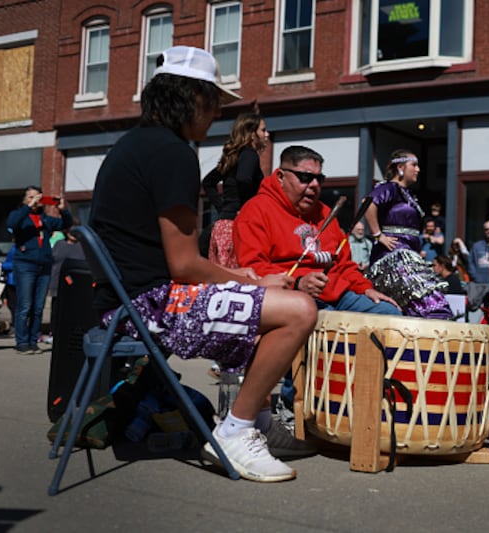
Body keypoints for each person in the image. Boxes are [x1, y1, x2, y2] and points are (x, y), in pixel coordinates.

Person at [89, 45, 318, 483]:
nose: (216, 113)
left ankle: (262, 423)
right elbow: (184, 266)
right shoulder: (174, 154)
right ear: (190, 97)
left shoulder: (132, 145)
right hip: (148, 307)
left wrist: (249, 282)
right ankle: (236, 430)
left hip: (124, 302)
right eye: (213, 101)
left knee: (271, 297)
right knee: (298, 310)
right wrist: (245, 278)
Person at [234, 145, 400, 316]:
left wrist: (365, 288)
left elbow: (344, 265)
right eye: (305, 177)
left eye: (318, 179)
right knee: (325, 320)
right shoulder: (255, 211)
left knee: (389, 313)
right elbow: (253, 270)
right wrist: (297, 283)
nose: (314, 185)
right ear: (280, 177)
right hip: (290, 297)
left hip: (338, 295)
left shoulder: (326, 213)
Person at [363, 149, 453, 319]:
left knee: (418, 304)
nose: (418, 169)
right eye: (414, 165)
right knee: (429, 303)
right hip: (393, 257)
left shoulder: (407, 194)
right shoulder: (390, 187)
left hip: (410, 255)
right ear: (400, 167)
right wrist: (378, 235)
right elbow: (367, 204)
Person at [6, 186, 73, 354]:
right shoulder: (19, 216)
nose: (34, 200)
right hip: (25, 264)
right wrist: (28, 207)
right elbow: (12, 224)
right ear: (24, 200)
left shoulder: (46, 219)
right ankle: (21, 342)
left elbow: (66, 224)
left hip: (44, 265)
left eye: (37, 197)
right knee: (25, 305)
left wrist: (63, 210)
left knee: (38, 307)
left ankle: (33, 341)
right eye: (30, 197)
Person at [202, 111, 269, 269]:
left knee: (220, 282)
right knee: (235, 283)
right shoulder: (250, 155)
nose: (267, 134)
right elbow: (243, 178)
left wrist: (222, 208)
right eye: (263, 130)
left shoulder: (232, 157)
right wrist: (248, 209)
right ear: (252, 134)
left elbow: (208, 182)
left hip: (221, 227)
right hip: (237, 228)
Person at [46, 220, 87, 343]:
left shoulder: (84, 246)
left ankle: (74, 333)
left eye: (75, 230)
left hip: (77, 283)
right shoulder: (59, 244)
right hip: (57, 281)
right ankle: (54, 332)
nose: (72, 233)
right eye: (70, 230)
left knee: (75, 309)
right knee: (57, 309)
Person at [467, 220, 489, 285]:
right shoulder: (476, 246)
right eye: (486, 229)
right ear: (483, 231)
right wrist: (475, 277)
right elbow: (470, 262)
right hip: (478, 283)